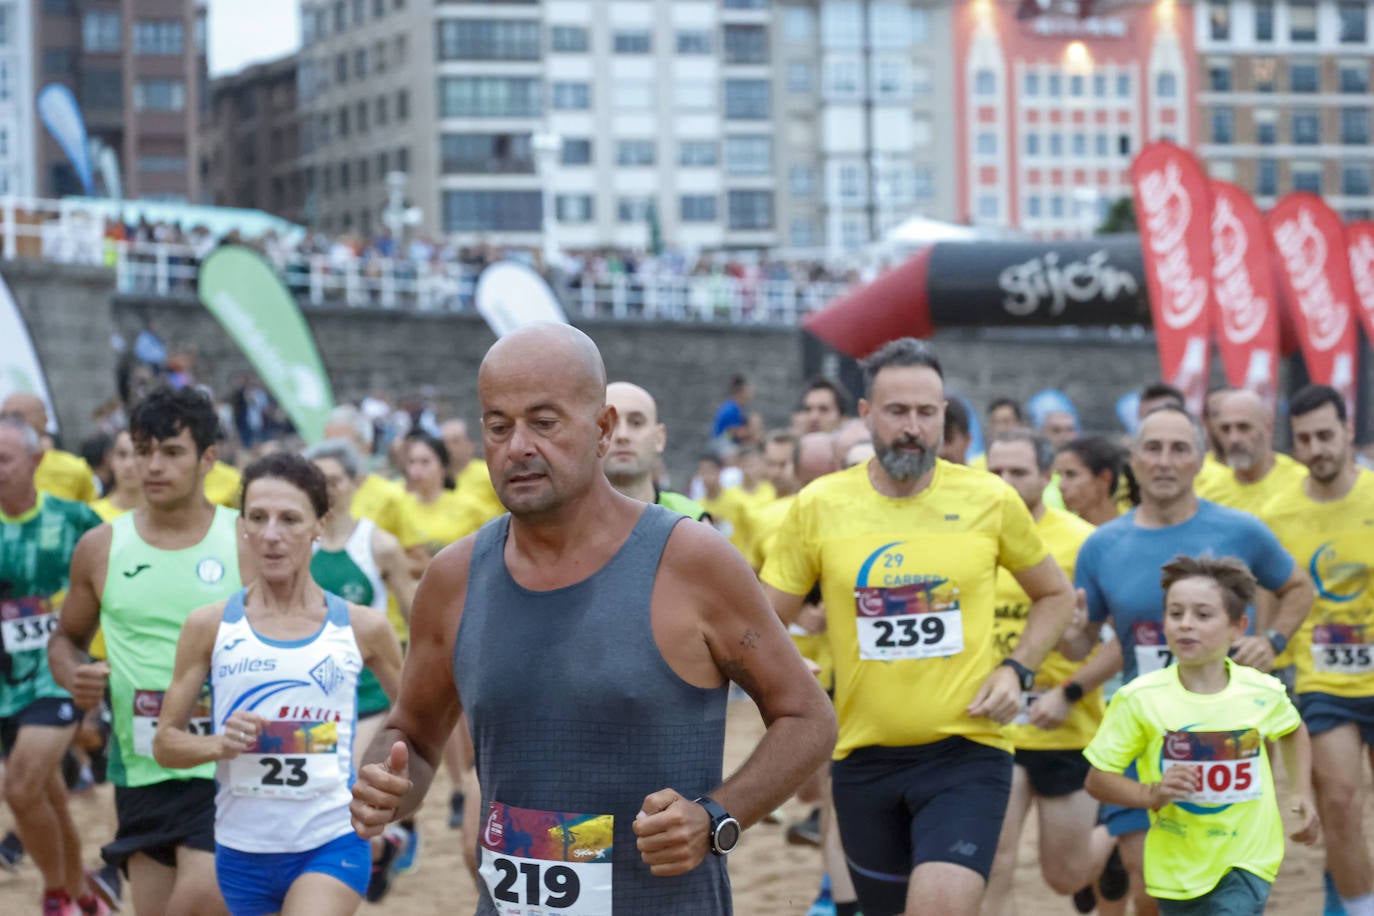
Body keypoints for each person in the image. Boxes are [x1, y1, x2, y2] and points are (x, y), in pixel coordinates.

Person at [349, 323, 836, 913]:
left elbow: (808, 716)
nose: (518, 446)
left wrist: (716, 818)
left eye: (544, 422)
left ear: (602, 430)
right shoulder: (454, 579)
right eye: (498, 427)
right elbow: (415, 736)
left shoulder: (691, 561)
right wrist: (386, 782)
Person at [760, 337, 1076, 916]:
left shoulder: (988, 499)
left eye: (926, 413)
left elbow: (1055, 595)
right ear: (866, 415)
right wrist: (780, 664)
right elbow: (760, 617)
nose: (912, 427)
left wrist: (1016, 669)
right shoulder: (820, 505)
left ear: (943, 419)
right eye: (897, 411)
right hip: (861, 759)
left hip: (967, 752)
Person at [1066, 404, 1314, 916]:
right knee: (1150, 887)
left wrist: (1271, 640)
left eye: (1179, 448)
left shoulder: (1242, 531)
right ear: (1133, 459)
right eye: (1152, 448)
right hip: (1145, 732)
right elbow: (1082, 643)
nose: (1164, 460)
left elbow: (1297, 587)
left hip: (1226, 732)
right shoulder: (1102, 545)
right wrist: (1066, 630)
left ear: (1201, 460)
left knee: (1228, 887)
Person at [152, 453, 403, 916]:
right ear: (242, 525)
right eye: (258, 518)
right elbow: (165, 744)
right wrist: (218, 744)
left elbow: (417, 716)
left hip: (331, 839)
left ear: (318, 527)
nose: (271, 535)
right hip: (241, 849)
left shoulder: (364, 627)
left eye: (289, 519)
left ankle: (384, 849)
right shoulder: (209, 627)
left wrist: (386, 774)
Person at [50, 386, 253, 916]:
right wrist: (75, 675)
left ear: (209, 458)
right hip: (140, 767)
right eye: (143, 450)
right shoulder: (100, 547)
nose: (153, 465)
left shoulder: (246, 541)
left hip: (227, 766)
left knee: (202, 898)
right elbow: (65, 639)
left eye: (171, 451)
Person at [1084, 555, 1319, 915]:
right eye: (1175, 614)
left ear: (1238, 627)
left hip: (1247, 858)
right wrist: (1152, 793)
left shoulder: (1262, 692)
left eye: (1203, 615)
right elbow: (1097, 779)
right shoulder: (1139, 698)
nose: (1186, 625)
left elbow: (1292, 730)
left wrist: (1302, 791)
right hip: (1176, 863)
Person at [982, 430, 1117, 916]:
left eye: (1018, 472)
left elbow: (1120, 640)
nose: (1005, 482)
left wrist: (1070, 688)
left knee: (1066, 877)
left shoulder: (1085, 542)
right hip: (992, 726)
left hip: (1065, 726)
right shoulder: (968, 537)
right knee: (992, 863)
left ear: (1046, 476)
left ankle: (1122, 836)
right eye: (995, 472)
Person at [1261, 385, 1374, 916]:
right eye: (1305, 439)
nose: (1317, 448)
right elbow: (1268, 600)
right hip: (1324, 682)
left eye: (1326, 435)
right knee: (1339, 802)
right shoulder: (1279, 514)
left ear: (1348, 430)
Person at [0, 415, 108, 916]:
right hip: (6, 680)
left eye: (4, 459)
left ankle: (55, 894)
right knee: (48, 795)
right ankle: (83, 896)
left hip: (57, 671)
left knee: (20, 787)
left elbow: (116, 590)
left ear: (36, 460)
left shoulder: (74, 520)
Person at [304, 438, 418, 898]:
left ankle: (374, 850)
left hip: (369, 697)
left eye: (333, 480)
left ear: (356, 483)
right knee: (324, 808)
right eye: (316, 481)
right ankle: (387, 844)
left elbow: (417, 617)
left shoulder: (379, 545)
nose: (325, 490)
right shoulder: (296, 541)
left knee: (348, 798)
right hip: (312, 701)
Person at [603, 381, 710, 522]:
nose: (622, 435)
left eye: (636, 423)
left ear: (659, 438)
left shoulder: (690, 521)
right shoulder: (567, 521)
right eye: (609, 424)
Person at [1195, 388, 1306, 516]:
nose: (1234, 439)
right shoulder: (1206, 494)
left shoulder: (1300, 483)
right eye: (1225, 429)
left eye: (1244, 427)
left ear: (1268, 426)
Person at [398, 431, 479, 570]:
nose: (416, 470)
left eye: (425, 462)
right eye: (412, 462)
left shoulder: (469, 507)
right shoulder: (397, 506)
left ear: (443, 467)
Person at [1, 393, 98, 503]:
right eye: (3, 418)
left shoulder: (74, 469)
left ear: (44, 421)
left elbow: (91, 515)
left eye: (17, 418)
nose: (9, 425)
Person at [1055, 436, 1129, 527]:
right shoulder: (1059, 532)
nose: (1061, 486)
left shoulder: (1134, 528)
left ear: (1105, 478)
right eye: (1059, 475)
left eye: (1071, 475)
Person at [712, 373, 754, 443]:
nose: (750, 393)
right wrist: (751, 431)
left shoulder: (734, 406)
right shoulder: (731, 408)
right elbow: (730, 433)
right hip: (722, 442)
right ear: (742, 391)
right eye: (748, 389)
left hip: (725, 440)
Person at [939, 397, 971, 465]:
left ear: (967, 440)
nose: (942, 451)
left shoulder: (987, 475)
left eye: (948, 439)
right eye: (938, 441)